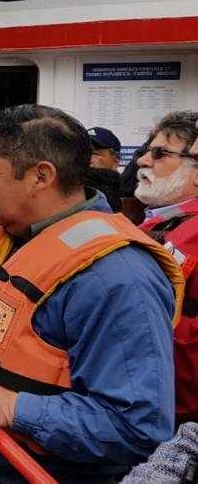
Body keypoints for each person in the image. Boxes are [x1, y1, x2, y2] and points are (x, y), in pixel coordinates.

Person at [0, 104, 183, 482]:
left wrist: (13, 409)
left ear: (41, 176)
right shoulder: (9, 236)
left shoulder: (118, 278)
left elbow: (137, 428)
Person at [135, 111, 198, 426]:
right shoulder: (156, 224)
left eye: (160, 153)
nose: (143, 161)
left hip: (179, 418)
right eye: (146, 151)